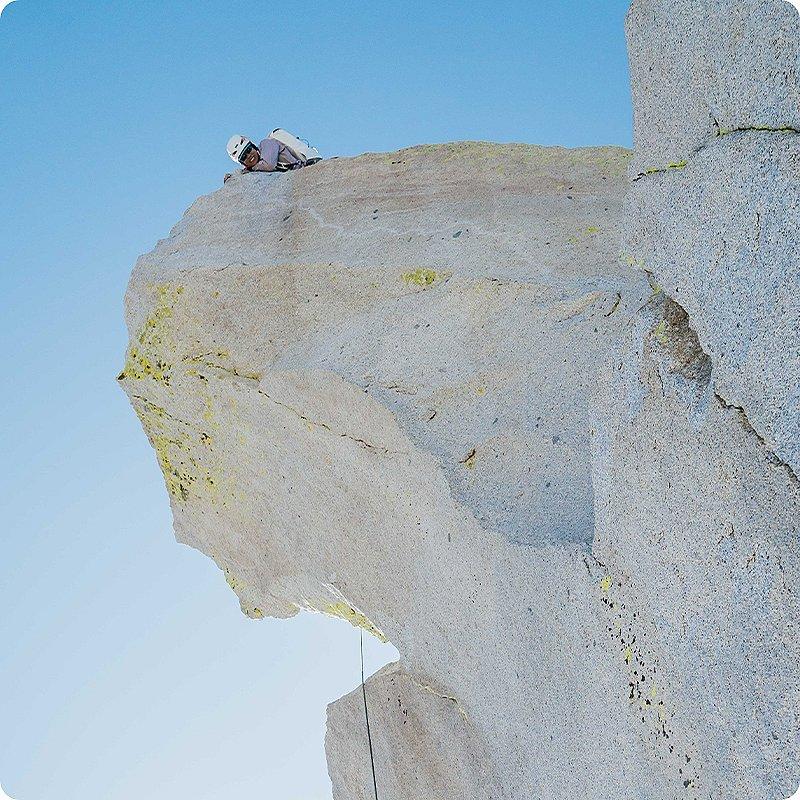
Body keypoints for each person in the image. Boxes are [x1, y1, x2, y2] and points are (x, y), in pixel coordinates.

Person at [225, 131, 320, 182]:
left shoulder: (266, 144)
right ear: (242, 163)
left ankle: (311, 156)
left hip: (302, 166)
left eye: (249, 150)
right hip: (293, 179)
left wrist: (250, 168)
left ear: (253, 146)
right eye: (244, 157)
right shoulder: (254, 169)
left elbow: (269, 165)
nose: (249, 156)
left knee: (276, 133)